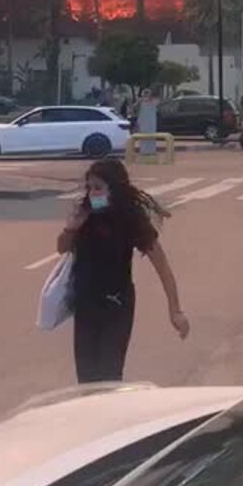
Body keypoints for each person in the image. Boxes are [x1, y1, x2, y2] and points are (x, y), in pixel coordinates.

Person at [57, 157, 189, 384]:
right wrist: (70, 229)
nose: (92, 194)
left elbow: (163, 267)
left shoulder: (131, 221)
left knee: (109, 374)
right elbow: (61, 248)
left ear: (114, 190)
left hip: (117, 305)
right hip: (86, 304)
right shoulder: (84, 216)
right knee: (86, 377)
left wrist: (175, 311)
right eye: (89, 188)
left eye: (98, 188)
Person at [134, 87, 158, 155]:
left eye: (147, 94)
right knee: (143, 138)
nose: (146, 96)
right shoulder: (140, 102)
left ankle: (151, 151)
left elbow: (157, 103)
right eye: (145, 94)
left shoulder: (153, 102)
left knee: (151, 138)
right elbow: (135, 108)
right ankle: (144, 151)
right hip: (143, 122)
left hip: (151, 123)